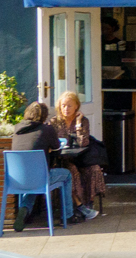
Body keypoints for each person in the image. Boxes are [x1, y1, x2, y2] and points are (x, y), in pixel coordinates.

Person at [11, 101, 76, 230]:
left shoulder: (17, 129)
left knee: (34, 178)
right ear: (44, 116)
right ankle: (68, 215)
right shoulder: (46, 129)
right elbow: (57, 147)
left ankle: (24, 209)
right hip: (39, 177)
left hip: (16, 179)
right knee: (66, 175)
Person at [48, 91, 106, 220]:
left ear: (76, 107)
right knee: (72, 170)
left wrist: (78, 124)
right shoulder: (54, 122)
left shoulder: (83, 121)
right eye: (63, 105)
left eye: (69, 106)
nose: (66, 109)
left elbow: (83, 142)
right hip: (63, 159)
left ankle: (88, 204)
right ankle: (77, 206)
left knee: (94, 169)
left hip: (82, 158)